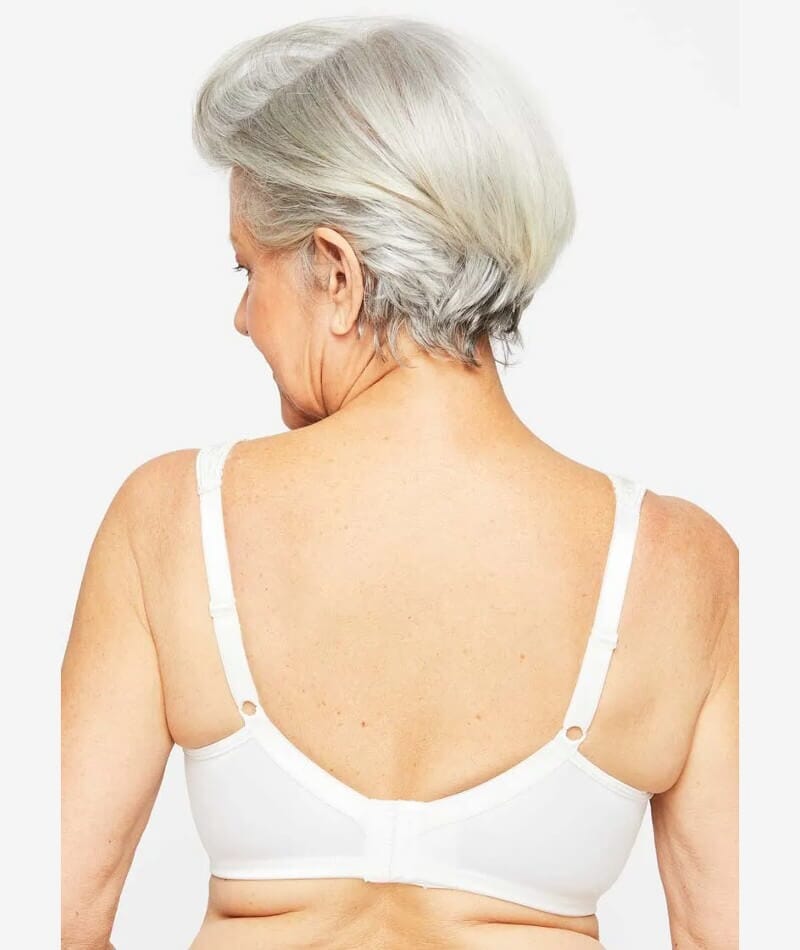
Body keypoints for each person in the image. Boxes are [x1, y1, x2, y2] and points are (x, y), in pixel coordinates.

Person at [61, 15, 738, 950]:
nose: (242, 317)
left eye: (248, 268)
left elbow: (52, 908)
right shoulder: (684, 569)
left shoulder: (169, 524)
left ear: (338, 275)